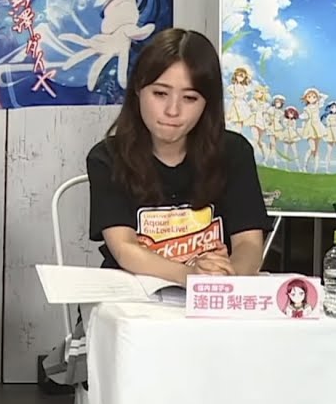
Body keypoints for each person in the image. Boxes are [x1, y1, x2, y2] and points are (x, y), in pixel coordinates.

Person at [87, 28, 270, 286]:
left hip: (214, 296)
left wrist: (227, 277)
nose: (173, 110)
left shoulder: (234, 152)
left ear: (207, 103)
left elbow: (249, 243)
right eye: (160, 94)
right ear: (138, 89)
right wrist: (191, 276)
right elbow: (124, 249)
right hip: (132, 297)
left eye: (190, 98)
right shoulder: (107, 158)